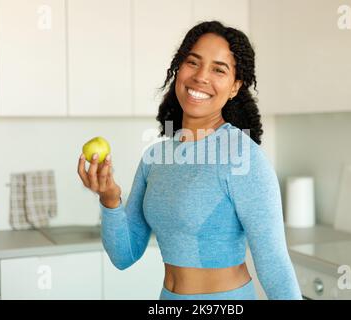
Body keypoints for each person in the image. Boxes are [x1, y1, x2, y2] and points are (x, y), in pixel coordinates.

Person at [77, 21, 302, 300]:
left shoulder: (243, 157)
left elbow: (274, 265)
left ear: (234, 87)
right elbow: (124, 256)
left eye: (219, 69)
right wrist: (109, 200)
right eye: (192, 63)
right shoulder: (155, 159)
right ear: (178, 69)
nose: (201, 77)